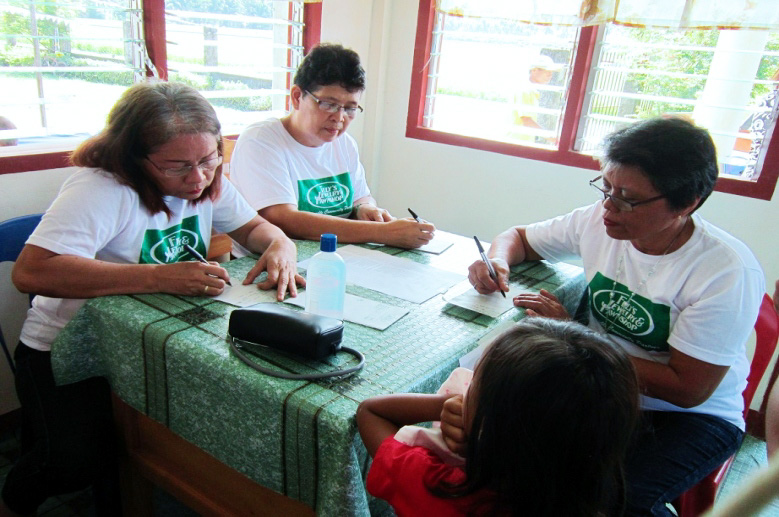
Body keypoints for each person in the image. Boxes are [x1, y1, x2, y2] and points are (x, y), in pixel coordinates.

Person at [2, 82, 304, 516]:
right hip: (67, 348)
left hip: (151, 340)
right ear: (133, 157)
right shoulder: (101, 188)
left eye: (209, 159)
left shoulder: (206, 179)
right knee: (72, 462)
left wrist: (280, 246)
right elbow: (32, 271)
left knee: (219, 417)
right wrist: (160, 277)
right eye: (176, 167)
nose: (197, 178)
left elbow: (256, 228)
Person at [453, 117, 765, 516]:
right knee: (507, 455)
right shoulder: (599, 222)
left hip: (689, 417)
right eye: (606, 187)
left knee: (611, 501)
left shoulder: (724, 270)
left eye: (628, 198)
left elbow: (688, 388)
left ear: (686, 203)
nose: (608, 206)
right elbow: (519, 238)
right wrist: (496, 261)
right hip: (602, 389)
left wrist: (575, 336)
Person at [358, 318, 640, 516]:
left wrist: (444, 405)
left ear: (490, 423)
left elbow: (371, 411)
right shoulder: (588, 500)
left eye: (471, 387)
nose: (464, 387)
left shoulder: (432, 486)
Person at [230, 43, 435, 251]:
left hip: (338, 255)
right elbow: (282, 219)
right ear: (297, 97)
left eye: (350, 108)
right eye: (329, 104)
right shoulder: (261, 141)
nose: (339, 118)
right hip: (275, 261)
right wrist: (384, 233)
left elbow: (360, 197)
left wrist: (364, 208)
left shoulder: (344, 143)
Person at [508, 55, 562, 145]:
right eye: (547, 71)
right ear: (534, 70)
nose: (550, 75)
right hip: (514, 143)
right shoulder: (525, 90)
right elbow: (527, 121)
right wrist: (553, 138)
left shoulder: (530, 90)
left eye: (551, 72)